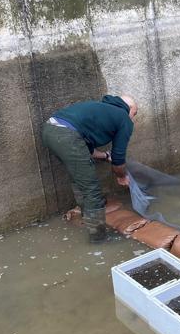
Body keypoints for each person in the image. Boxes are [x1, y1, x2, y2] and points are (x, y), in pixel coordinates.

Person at [42, 95, 138, 243]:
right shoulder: (123, 117)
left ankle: (87, 216)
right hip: (67, 135)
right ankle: (98, 238)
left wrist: (106, 156)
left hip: (50, 131)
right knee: (91, 189)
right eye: (135, 113)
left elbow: (86, 149)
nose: (133, 118)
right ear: (129, 108)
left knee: (79, 179)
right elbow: (119, 158)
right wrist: (121, 176)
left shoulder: (100, 110)